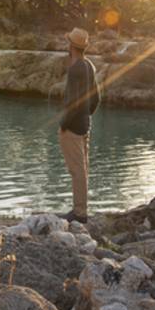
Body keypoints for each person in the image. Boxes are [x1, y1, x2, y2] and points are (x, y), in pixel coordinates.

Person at [58, 27, 100, 223]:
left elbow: (74, 101)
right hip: (84, 124)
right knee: (82, 170)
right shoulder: (89, 65)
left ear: (71, 46)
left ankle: (80, 213)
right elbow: (96, 97)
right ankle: (81, 209)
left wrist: (64, 124)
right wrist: (86, 115)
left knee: (77, 171)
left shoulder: (75, 68)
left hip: (73, 127)